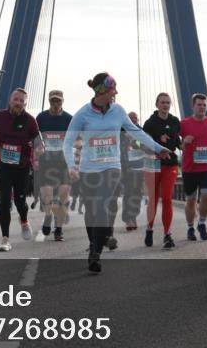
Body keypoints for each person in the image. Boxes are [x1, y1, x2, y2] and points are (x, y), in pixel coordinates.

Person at [64, 72, 170, 273]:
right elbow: (68, 142)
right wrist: (71, 166)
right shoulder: (82, 114)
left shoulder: (118, 111)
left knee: (103, 204)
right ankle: (96, 242)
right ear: (102, 91)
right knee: (91, 210)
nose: (115, 94)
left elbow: (136, 133)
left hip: (112, 166)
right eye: (112, 89)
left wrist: (158, 148)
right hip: (88, 168)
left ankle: (95, 253)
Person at [0, 88, 43, 252]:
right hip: (4, 166)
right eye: (16, 99)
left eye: (21, 101)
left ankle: (24, 220)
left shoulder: (30, 120)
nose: (18, 103)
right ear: (10, 100)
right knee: (4, 201)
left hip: (22, 167)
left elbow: (39, 142)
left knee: (20, 201)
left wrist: (39, 149)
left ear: (25, 104)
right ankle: (5, 239)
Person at [142, 92, 181, 248]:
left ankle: (167, 235)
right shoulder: (149, 123)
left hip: (170, 164)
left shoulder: (174, 121)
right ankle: (149, 229)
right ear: (157, 104)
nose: (165, 105)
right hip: (153, 163)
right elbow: (141, 145)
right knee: (153, 199)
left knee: (166, 198)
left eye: (168, 102)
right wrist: (158, 141)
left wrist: (183, 144)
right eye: (162, 102)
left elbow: (177, 140)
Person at [180, 93, 207, 241]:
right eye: (199, 105)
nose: (202, 107)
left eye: (204, 105)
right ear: (193, 106)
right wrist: (184, 142)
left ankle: (201, 223)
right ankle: (190, 227)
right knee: (191, 200)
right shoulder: (183, 124)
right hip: (189, 168)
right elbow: (178, 144)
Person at [36, 90, 73, 241]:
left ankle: (59, 229)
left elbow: (78, 139)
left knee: (63, 197)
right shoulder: (41, 117)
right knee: (47, 196)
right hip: (46, 162)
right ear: (49, 101)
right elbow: (34, 137)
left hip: (64, 163)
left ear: (63, 101)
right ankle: (48, 215)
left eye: (58, 101)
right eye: (52, 101)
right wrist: (37, 148)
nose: (55, 104)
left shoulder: (69, 119)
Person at [120, 112, 147, 231]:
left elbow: (146, 147)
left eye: (135, 118)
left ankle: (133, 216)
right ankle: (128, 219)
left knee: (137, 194)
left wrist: (134, 140)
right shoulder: (120, 133)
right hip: (127, 169)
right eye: (131, 118)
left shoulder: (142, 132)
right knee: (128, 193)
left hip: (140, 168)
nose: (133, 120)